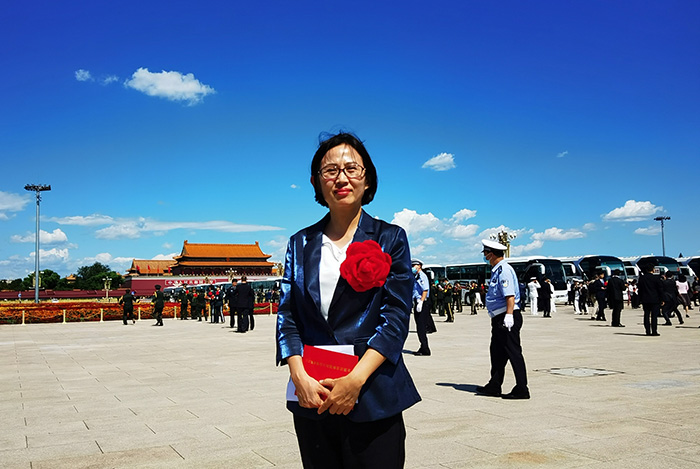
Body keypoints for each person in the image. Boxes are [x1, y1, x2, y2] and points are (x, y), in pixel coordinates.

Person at [276, 132, 420, 468]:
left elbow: (396, 317)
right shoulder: (300, 243)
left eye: (351, 169)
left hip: (371, 394)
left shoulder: (390, 238)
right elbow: (288, 315)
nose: (341, 178)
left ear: (367, 179)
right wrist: (298, 376)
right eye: (330, 170)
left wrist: (355, 380)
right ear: (316, 182)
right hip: (313, 394)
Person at [476, 239, 530, 400]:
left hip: (506, 317)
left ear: (491, 254)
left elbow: (510, 295)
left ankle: (522, 388)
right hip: (499, 317)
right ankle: (494, 385)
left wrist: (509, 315)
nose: (485, 256)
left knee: (513, 352)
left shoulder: (504, 270)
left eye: (486, 253)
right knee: (497, 353)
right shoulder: (497, 270)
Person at [638, 263, 664, 336]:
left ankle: (647, 331)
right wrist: (662, 299)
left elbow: (640, 289)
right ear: (653, 269)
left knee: (646, 315)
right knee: (654, 316)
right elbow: (660, 289)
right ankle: (654, 331)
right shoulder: (656, 278)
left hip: (645, 299)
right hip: (655, 299)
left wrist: (640, 298)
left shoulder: (642, 278)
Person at [412, 259, 431, 356]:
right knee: (419, 326)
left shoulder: (422, 276)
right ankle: (423, 346)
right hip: (417, 301)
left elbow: (425, 290)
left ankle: (425, 348)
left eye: (414, 265)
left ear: (419, 266)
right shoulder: (416, 276)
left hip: (422, 302)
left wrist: (421, 302)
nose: (412, 267)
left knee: (421, 327)